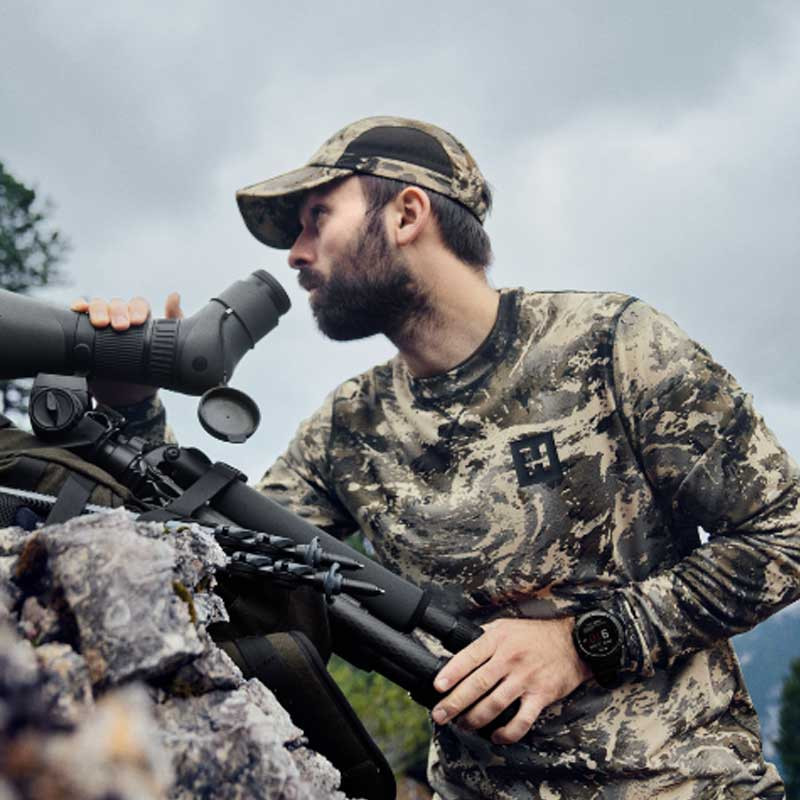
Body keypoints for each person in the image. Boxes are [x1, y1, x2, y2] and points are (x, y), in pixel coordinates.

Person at [75, 116, 798, 799]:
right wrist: (130, 403)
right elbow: (215, 561)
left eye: (316, 218)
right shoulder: (347, 426)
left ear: (408, 213)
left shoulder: (611, 343)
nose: (295, 254)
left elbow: (784, 533)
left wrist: (583, 643)